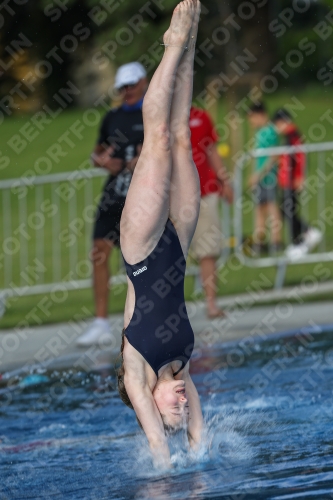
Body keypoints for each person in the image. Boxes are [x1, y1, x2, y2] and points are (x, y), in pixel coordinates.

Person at [118, 0, 203, 468]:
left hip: (144, 248)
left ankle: (171, 47)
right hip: (180, 243)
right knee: (181, 136)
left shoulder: (138, 369)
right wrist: (196, 443)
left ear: (149, 403)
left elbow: (158, 446)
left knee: (156, 139)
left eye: (175, 409)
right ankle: (190, 45)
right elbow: (199, 436)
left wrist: (168, 466)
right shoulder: (181, 369)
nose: (183, 403)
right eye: (183, 408)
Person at [76, 62, 148, 347]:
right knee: (99, 252)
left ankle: (144, 320)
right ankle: (101, 322)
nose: (127, 91)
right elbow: (97, 153)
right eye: (123, 87)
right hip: (113, 195)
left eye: (131, 85)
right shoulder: (112, 117)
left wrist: (144, 159)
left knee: (139, 261)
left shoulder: (153, 113)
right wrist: (104, 161)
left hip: (142, 197)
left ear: (143, 82)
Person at [189, 105, 233, 318]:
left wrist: (224, 180)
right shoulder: (159, 117)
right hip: (173, 198)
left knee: (208, 250)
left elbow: (211, 149)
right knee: (168, 258)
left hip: (206, 191)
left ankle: (211, 305)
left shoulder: (201, 116)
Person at [272, 108, 323, 259]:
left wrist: (299, 176)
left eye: (277, 124)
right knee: (287, 210)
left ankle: (298, 243)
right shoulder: (289, 136)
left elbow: (300, 157)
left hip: (292, 180)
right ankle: (308, 232)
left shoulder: (293, 136)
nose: (277, 127)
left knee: (290, 210)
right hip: (287, 180)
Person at [247, 102, 282, 254]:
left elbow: (273, 156)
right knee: (259, 209)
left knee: (272, 209)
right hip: (260, 178)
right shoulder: (259, 132)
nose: (251, 122)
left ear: (261, 115)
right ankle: (260, 243)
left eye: (252, 118)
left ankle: (276, 241)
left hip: (269, 178)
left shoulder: (270, 132)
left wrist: (258, 174)